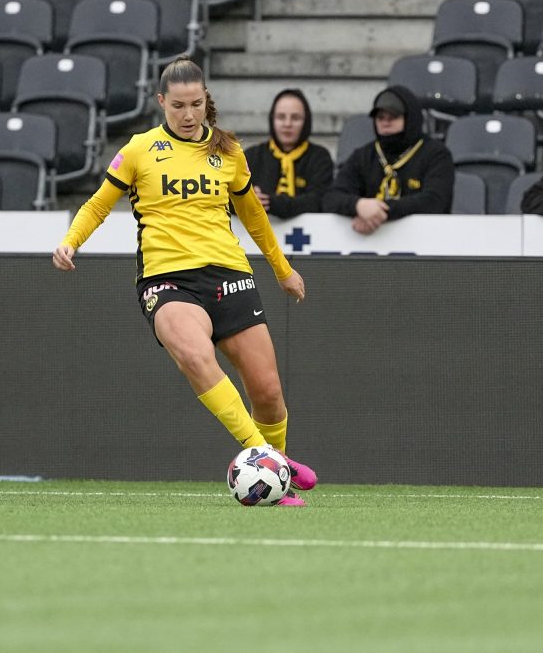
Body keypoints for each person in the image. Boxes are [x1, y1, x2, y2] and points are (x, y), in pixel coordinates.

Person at [52, 56, 318, 506]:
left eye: (196, 104)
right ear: (161, 102)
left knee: (268, 393)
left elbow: (253, 216)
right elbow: (98, 204)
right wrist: (70, 241)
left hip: (229, 273)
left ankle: (276, 481)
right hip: (168, 278)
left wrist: (283, 269)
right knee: (195, 356)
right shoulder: (139, 150)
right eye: (178, 106)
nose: (188, 114)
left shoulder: (227, 150)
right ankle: (278, 466)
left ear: (205, 99)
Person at [322, 85, 454, 234]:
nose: (385, 123)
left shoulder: (436, 154)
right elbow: (331, 197)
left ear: (409, 118)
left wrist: (380, 211)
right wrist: (358, 205)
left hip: (425, 238)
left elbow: (434, 201)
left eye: (393, 117)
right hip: (370, 242)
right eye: (380, 117)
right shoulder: (363, 156)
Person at [243, 88, 333, 219]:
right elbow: (224, 196)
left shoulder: (320, 157)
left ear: (306, 122)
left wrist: (272, 204)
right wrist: (244, 200)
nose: (287, 124)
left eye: (295, 118)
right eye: (281, 117)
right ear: (272, 120)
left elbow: (320, 200)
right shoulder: (252, 156)